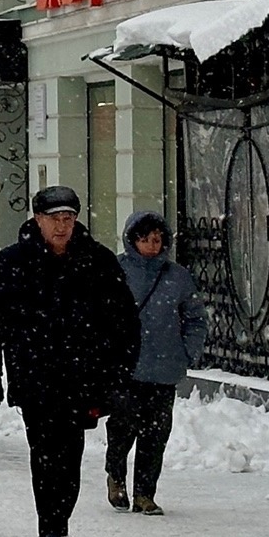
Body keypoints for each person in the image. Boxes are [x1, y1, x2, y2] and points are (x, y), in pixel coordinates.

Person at [0, 184, 141, 537]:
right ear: (37, 220)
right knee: (45, 449)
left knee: (71, 451)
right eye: (54, 219)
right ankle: (52, 526)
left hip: (83, 376)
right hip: (34, 375)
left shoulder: (97, 261)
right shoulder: (14, 261)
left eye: (69, 218)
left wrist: (119, 375)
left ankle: (59, 517)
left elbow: (124, 322)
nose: (62, 226)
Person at [112, 210, 209, 514]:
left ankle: (144, 493)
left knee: (155, 434)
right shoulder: (116, 270)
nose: (152, 245)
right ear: (132, 240)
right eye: (145, 239)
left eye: (157, 239)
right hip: (126, 368)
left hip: (165, 369)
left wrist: (187, 352)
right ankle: (115, 475)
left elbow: (195, 319)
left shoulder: (177, 276)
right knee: (123, 427)